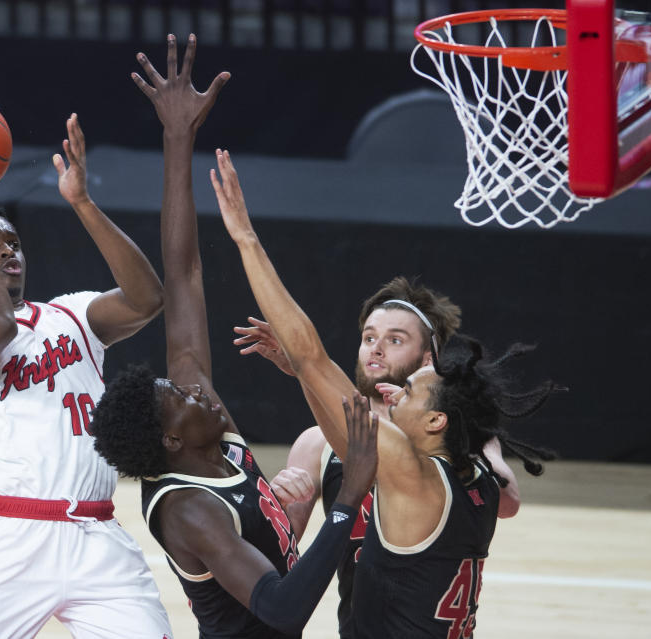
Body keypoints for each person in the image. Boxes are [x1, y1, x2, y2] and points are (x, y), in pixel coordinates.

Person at [89, 34, 378, 639]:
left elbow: (184, 274)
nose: (198, 393)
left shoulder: (205, 433)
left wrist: (176, 139)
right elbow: (279, 607)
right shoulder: (188, 508)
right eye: (182, 397)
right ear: (171, 439)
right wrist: (347, 496)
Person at [211, 148, 559, 638]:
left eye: (410, 391)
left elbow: (312, 356)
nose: (396, 395)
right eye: (370, 336)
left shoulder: (413, 467)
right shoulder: (469, 471)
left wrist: (246, 240)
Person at [0, 111, 173, 638]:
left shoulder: (72, 315)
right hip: (14, 535)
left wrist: (83, 203)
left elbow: (148, 299)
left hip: (98, 536)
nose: (7, 250)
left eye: (13, 244)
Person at [232, 279, 523, 637]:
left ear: (428, 358)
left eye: (395, 340)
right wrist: (278, 502)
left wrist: (480, 442)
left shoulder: (450, 445)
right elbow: (281, 554)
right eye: (369, 338)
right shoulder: (316, 442)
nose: (377, 349)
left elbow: (506, 504)